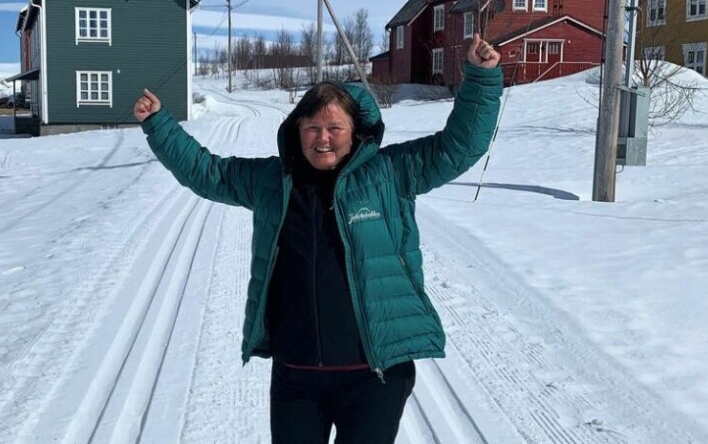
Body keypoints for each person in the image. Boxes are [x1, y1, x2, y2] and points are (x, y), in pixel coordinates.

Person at [133, 33, 502, 443]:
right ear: (297, 131)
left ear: (355, 131)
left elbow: (459, 146)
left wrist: (481, 79)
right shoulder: (274, 181)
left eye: (334, 127)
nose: (322, 138)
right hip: (297, 376)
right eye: (312, 128)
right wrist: (159, 125)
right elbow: (209, 173)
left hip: (374, 376)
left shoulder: (390, 173)